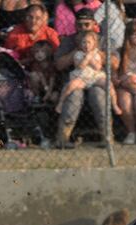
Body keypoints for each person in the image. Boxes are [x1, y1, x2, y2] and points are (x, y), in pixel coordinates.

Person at [54, 8, 110, 147]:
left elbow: (115, 63)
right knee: (74, 95)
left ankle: (107, 137)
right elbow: (58, 65)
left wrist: (96, 52)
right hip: (76, 79)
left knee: (98, 94)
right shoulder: (68, 41)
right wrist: (77, 51)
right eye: (79, 25)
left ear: (94, 24)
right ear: (75, 25)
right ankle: (63, 138)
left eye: (87, 24)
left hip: (96, 79)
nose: (83, 28)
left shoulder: (103, 39)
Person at [55, 30, 121, 115]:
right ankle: (60, 103)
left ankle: (115, 105)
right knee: (71, 86)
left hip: (95, 77)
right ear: (80, 44)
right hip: (81, 77)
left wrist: (91, 58)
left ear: (94, 44)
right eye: (84, 43)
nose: (86, 45)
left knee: (109, 84)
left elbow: (98, 67)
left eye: (89, 42)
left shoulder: (97, 54)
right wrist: (87, 58)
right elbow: (80, 66)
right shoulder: (78, 54)